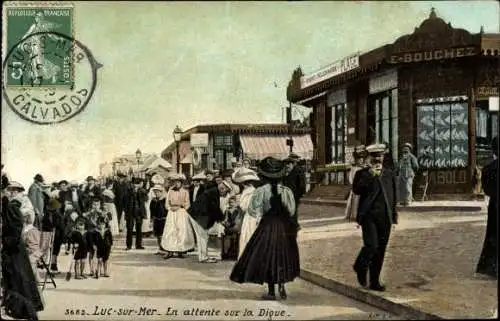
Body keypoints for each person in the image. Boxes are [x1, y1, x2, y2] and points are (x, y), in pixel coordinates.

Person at [230, 157, 299, 300]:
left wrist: (262, 213)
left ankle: (272, 292)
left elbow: (252, 210)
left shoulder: (261, 191)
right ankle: (282, 284)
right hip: (283, 227)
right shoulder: (286, 191)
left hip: (267, 225)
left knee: (267, 256)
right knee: (283, 254)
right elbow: (292, 211)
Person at [352, 143, 398, 292]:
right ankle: (360, 266)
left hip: (385, 217)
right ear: (370, 158)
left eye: (380, 156)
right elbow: (357, 190)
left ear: (384, 157)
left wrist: (394, 215)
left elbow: (393, 196)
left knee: (381, 250)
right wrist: (370, 176)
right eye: (375, 156)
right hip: (369, 216)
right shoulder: (362, 174)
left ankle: (374, 281)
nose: (378, 159)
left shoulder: (389, 173)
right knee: (371, 245)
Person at [1, 173, 44, 320]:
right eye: (9, 189)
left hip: (13, 247)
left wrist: (5, 242)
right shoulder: (13, 204)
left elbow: (16, 226)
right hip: (14, 245)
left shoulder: (14, 205)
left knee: (18, 279)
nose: (10, 192)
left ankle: (18, 308)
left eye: (13, 190)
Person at [188, 181, 228, 263]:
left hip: (197, 215)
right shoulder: (214, 192)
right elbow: (215, 208)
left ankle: (203, 256)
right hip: (198, 216)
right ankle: (203, 257)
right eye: (223, 189)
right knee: (202, 236)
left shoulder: (213, 191)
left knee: (202, 236)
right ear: (221, 188)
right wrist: (222, 220)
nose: (223, 192)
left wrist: (220, 219)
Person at [476, 136, 498, 279]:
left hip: (495, 205)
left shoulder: (488, 169)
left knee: (494, 235)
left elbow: (487, 190)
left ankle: (492, 267)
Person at [161, 174, 195, 259]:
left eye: (178, 182)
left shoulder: (185, 192)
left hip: (181, 212)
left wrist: (180, 205)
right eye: (175, 182)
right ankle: (170, 250)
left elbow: (187, 204)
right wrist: (170, 208)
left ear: (181, 183)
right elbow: (166, 203)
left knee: (181, 231)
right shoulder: (170, 191)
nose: (176, 184)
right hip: (172, 213)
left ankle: (180, 250)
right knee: (171, 230)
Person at [233, 167, 260, 259]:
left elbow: (244, 206)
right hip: (255, 216)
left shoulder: (247, 192)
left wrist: (238, 203)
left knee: (247, 236)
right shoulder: (256, 191)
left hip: (249, 216)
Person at [21, 204, 43, 284]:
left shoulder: (28, 231)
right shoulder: (33, 229)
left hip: (32, 252)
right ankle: (36, 279)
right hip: (35, 251)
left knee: (29, 261)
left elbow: (29, 245)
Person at [282, 153, 306, 225]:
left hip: (294, 194)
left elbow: (301, 184)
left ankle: (294, 224)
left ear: (293, 164)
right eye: (286, 164)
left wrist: (300, 194)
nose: (287, 165)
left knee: (293, 209)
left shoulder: (298, 171)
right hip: (286, 194)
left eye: (289, 164)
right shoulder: (284, 172)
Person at [125, 177, 148, 250]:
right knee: (129, 229)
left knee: (139, 229)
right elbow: (124, 200)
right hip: (130, 212)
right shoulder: (128, 191)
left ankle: (138, 245)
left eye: (138, 184)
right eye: (135, 184)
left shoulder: (142, 191)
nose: (136, 186)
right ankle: (129, 246)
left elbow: (146, 199)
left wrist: (139, 191)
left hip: (139, 212)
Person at [345, 145, 367, 221]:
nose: (361, 161)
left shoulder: (363, 168)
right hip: (356, 187)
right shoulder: (354, 169)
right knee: (354, 201)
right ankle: (354, 215)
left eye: (362, 159)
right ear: (356, 160)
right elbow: (351, 179)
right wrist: (353, 186)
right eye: (359, 160)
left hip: (362, 187)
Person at [221, 196, 243, 261]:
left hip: (236, 227)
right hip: (229, 227)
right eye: (230, 202)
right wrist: (225, 222)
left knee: (234, 233)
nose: (231, 204)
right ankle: (227, 253)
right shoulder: (227, 210)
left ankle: (233, 253)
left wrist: (230, 224)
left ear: (236, 203)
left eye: (232, 202)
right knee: (227, 233)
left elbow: (238, 221)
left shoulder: (239, 210)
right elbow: (225, 219)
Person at [150, 184, 168, 255]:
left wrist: (166, 216)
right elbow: (151, 209)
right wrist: (152, 217)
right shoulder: (154, 201)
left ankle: (164, 248)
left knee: (163, 234)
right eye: (155, 192)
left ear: (161, 192)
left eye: (158, 192)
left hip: (163, 219)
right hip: (156, 219)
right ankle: (160, 248)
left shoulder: (164, 200)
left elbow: (166, 209)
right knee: (157, 234)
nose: (156, 193)